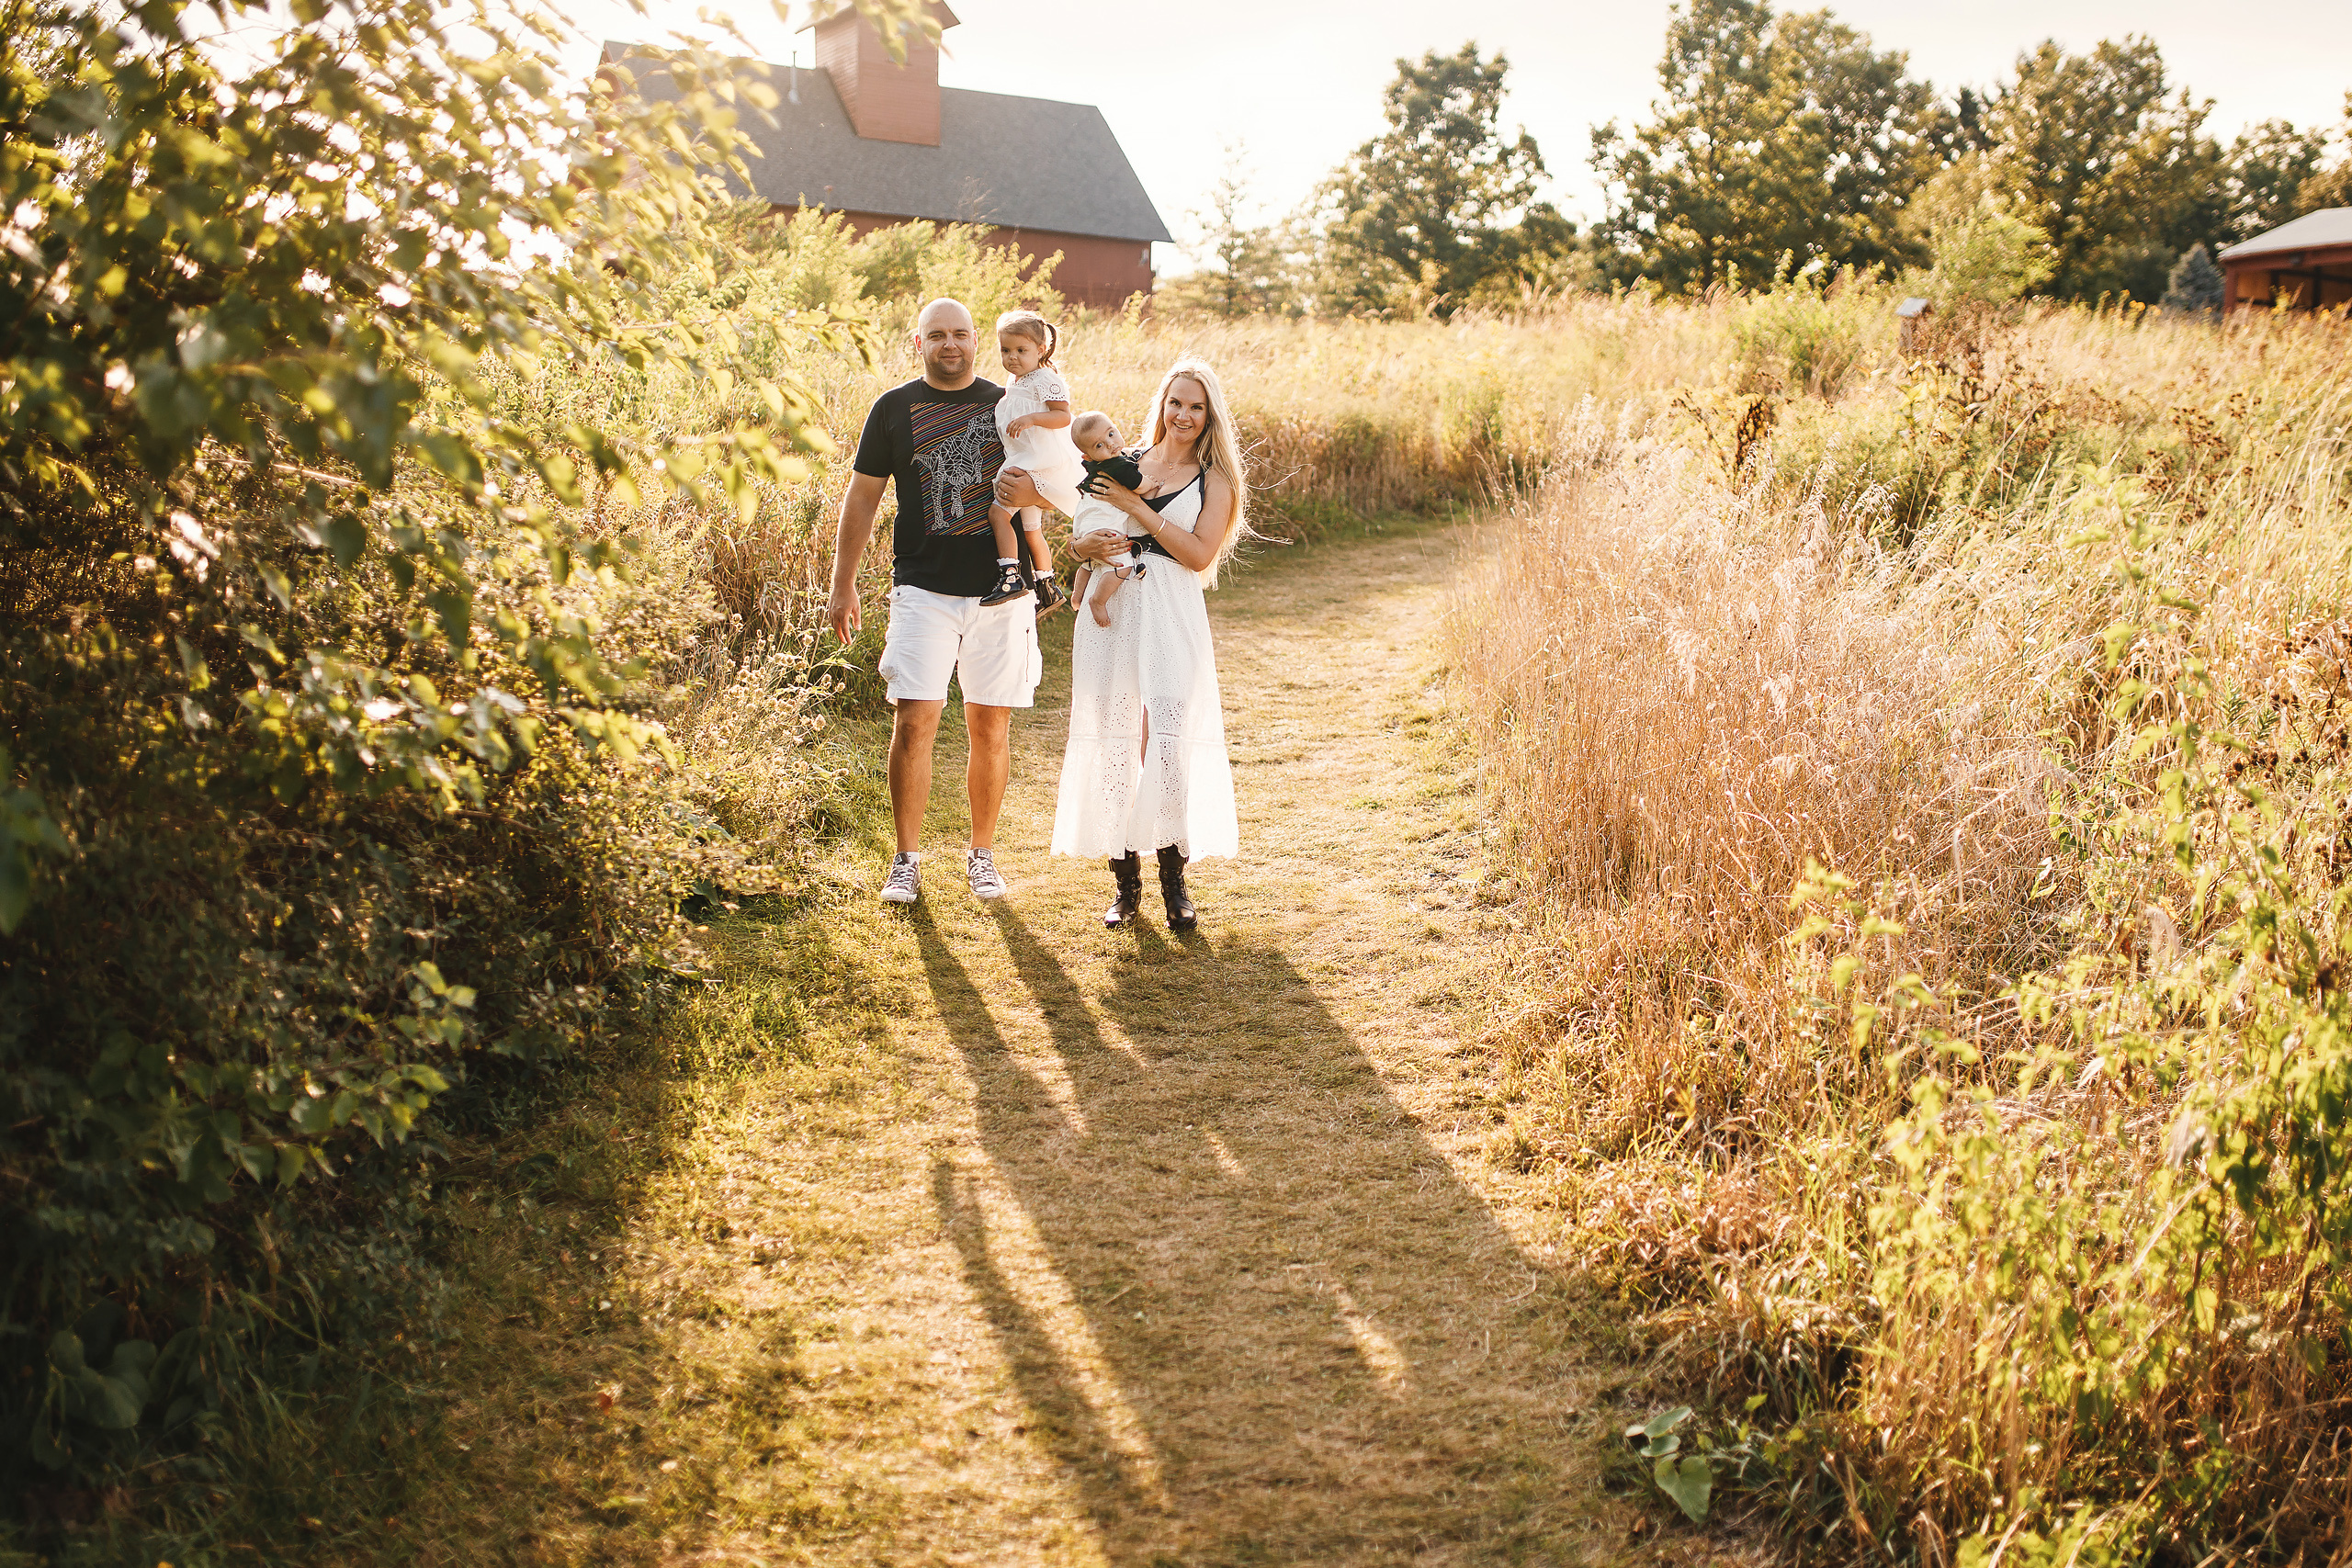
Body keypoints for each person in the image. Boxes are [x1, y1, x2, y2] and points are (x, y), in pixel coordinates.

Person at [999, 356, 1250, 931]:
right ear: (1162, 405)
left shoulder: (1215, 479)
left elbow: (1198, 554)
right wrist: (1082, 549)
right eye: (1176, 402)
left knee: (1165, 738)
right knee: (1115, 734)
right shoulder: (1120, 460)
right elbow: (1078, 536)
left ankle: (1173, 880)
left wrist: (1139, 511)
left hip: (1172, 608)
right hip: (1113, 612)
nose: (1183, 414)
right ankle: (1125, 884)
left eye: (1196, 406)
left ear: (1210, 416)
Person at [827, 297, 1038, 906]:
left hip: (1002, 592)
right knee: (915, 718)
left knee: (989, 723)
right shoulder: (892, 409)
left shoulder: (1010, 407)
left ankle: (982, 855)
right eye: (937, 335)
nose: (951, 345)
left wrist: (1040, 500)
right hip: (922, 588)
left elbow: (1051, 490)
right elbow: (862, 498)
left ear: (977, 340)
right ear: (917, 342)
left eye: (962, 334)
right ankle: (906, 859)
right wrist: (842, 582)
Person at [977, 310, 1081, 609]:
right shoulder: (1017, 380)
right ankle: (1047, 585)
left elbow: (1063, 416)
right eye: (1005, 350)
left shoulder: (1045, 378)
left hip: (1036, 463)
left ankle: (1010, 576)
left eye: (1021, 351)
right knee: (1031, 529)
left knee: (998, 515)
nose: (1012, 357)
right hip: (1028, 461)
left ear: (1040, 350)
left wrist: (1032, 419)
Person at [1063, 411, 1149, 628]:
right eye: (1099, 445)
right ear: (1088, 456)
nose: (1110, 445)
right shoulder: (1118, 465)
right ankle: (1097, 600)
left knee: (1089, 562)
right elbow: (1140, 485)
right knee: (1122, 565)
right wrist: (1154, 484)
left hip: (1085, 520)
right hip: (1103, 521)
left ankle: (1077, 594)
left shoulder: (1095, 465)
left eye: (1111, 434)